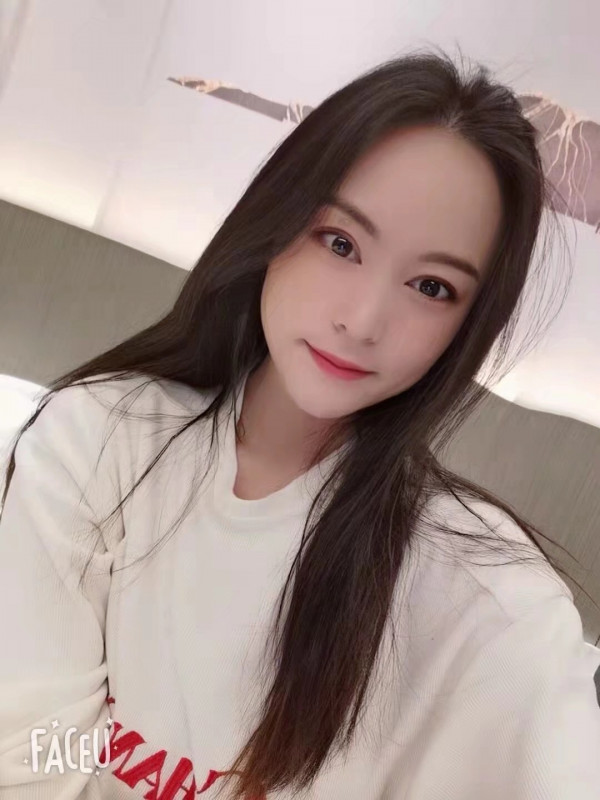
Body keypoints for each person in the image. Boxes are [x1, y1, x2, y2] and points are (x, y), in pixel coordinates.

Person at [0, 47, 599, 800]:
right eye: (341, 243)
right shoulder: (102, 438)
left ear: (468, 326)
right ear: (277, 224)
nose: (363, 319)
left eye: (431, 286)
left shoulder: (487, 595)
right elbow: (29, 759)